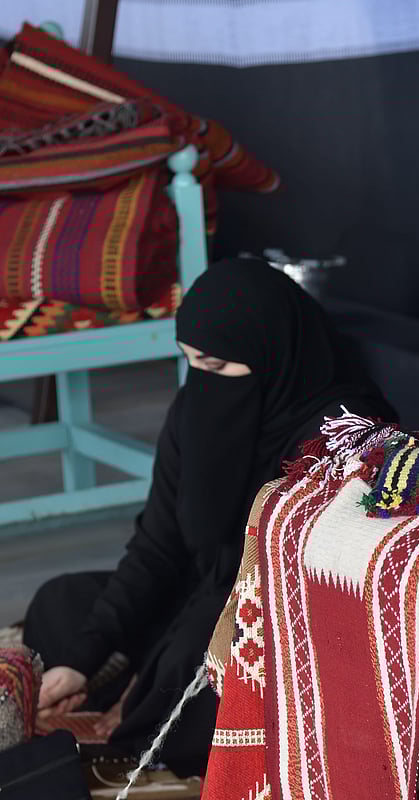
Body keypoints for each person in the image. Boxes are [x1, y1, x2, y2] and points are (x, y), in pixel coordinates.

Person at [22, 257, 394, 777]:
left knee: (191, 674)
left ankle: (139, 709)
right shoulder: (194, 409)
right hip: (199, 590)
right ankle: (117, 683)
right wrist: (83, 657)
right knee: (61, 605)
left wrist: (179, 643)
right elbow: (157, 545)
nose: (201, 381)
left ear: (270, 354)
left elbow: (293, 582)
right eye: (190, 360)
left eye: (217, 367)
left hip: (277, 620)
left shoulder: (344, 436)